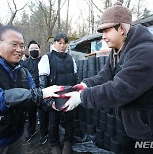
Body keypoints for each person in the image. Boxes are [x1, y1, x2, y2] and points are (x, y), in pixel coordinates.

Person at [61, 2, 153, 154]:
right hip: (128, 123)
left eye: (107, 30)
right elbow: (105, 75)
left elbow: (119, 89)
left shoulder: (145, 52)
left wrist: (82, 97)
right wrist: (85, 85)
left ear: (122, 29)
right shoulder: (118, 50)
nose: (103, 37)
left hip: (147, 130)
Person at [0, 25, 63, 154]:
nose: (19, 50)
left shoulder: (24, 73)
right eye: (14, 44)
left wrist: (57, 103)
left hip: (17, 138)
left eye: (22, 46)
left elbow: (35, 97)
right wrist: (42, 93)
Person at [38, 32, 79, 154]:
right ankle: (54, 143)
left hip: (69, 94)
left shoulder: (71, 59)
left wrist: (77, 91)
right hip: (55, 95)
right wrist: (47, 99)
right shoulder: (47, 58)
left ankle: (68, 142)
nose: (62, 45)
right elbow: (43, 80)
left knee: (70, 120)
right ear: (54, 43)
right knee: (54, 121)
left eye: (64, 43)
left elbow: (76, 77)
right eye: (59, 42)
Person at [21, 40, 41, 142]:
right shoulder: (24, 64)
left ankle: (44, 133)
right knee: (31, 113)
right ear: (28, 50)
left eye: (36, 49)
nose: (34, 50)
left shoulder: (44, 61)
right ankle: (31, 131)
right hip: (30, 92)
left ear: (39, 50)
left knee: (43, 113)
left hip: (42, 90)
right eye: (32, 49)